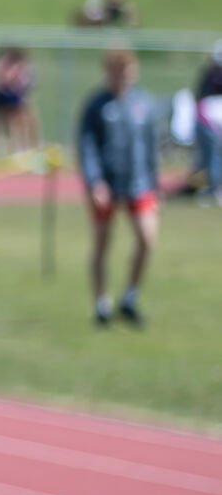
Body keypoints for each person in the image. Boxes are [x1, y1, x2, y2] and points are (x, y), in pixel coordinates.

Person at [78, 48, 160, 328]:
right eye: (117, 71)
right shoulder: (97, 104)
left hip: (138, 183)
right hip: (107, 185)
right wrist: (94, 182)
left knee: (147, 238)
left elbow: (151, 148)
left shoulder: (143, 103)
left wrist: (155, 184)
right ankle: (102, 303)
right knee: (102, 242)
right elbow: (87, 147)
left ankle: (130, 298)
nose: (123, 76)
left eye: (127, 70)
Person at [190, 41, 222, 205]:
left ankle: (215, 187)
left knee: (214, 154)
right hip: (208, 119)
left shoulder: (210, 75)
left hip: (208, 119)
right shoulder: (211, 75)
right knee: (213, 154)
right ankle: (215, 188)